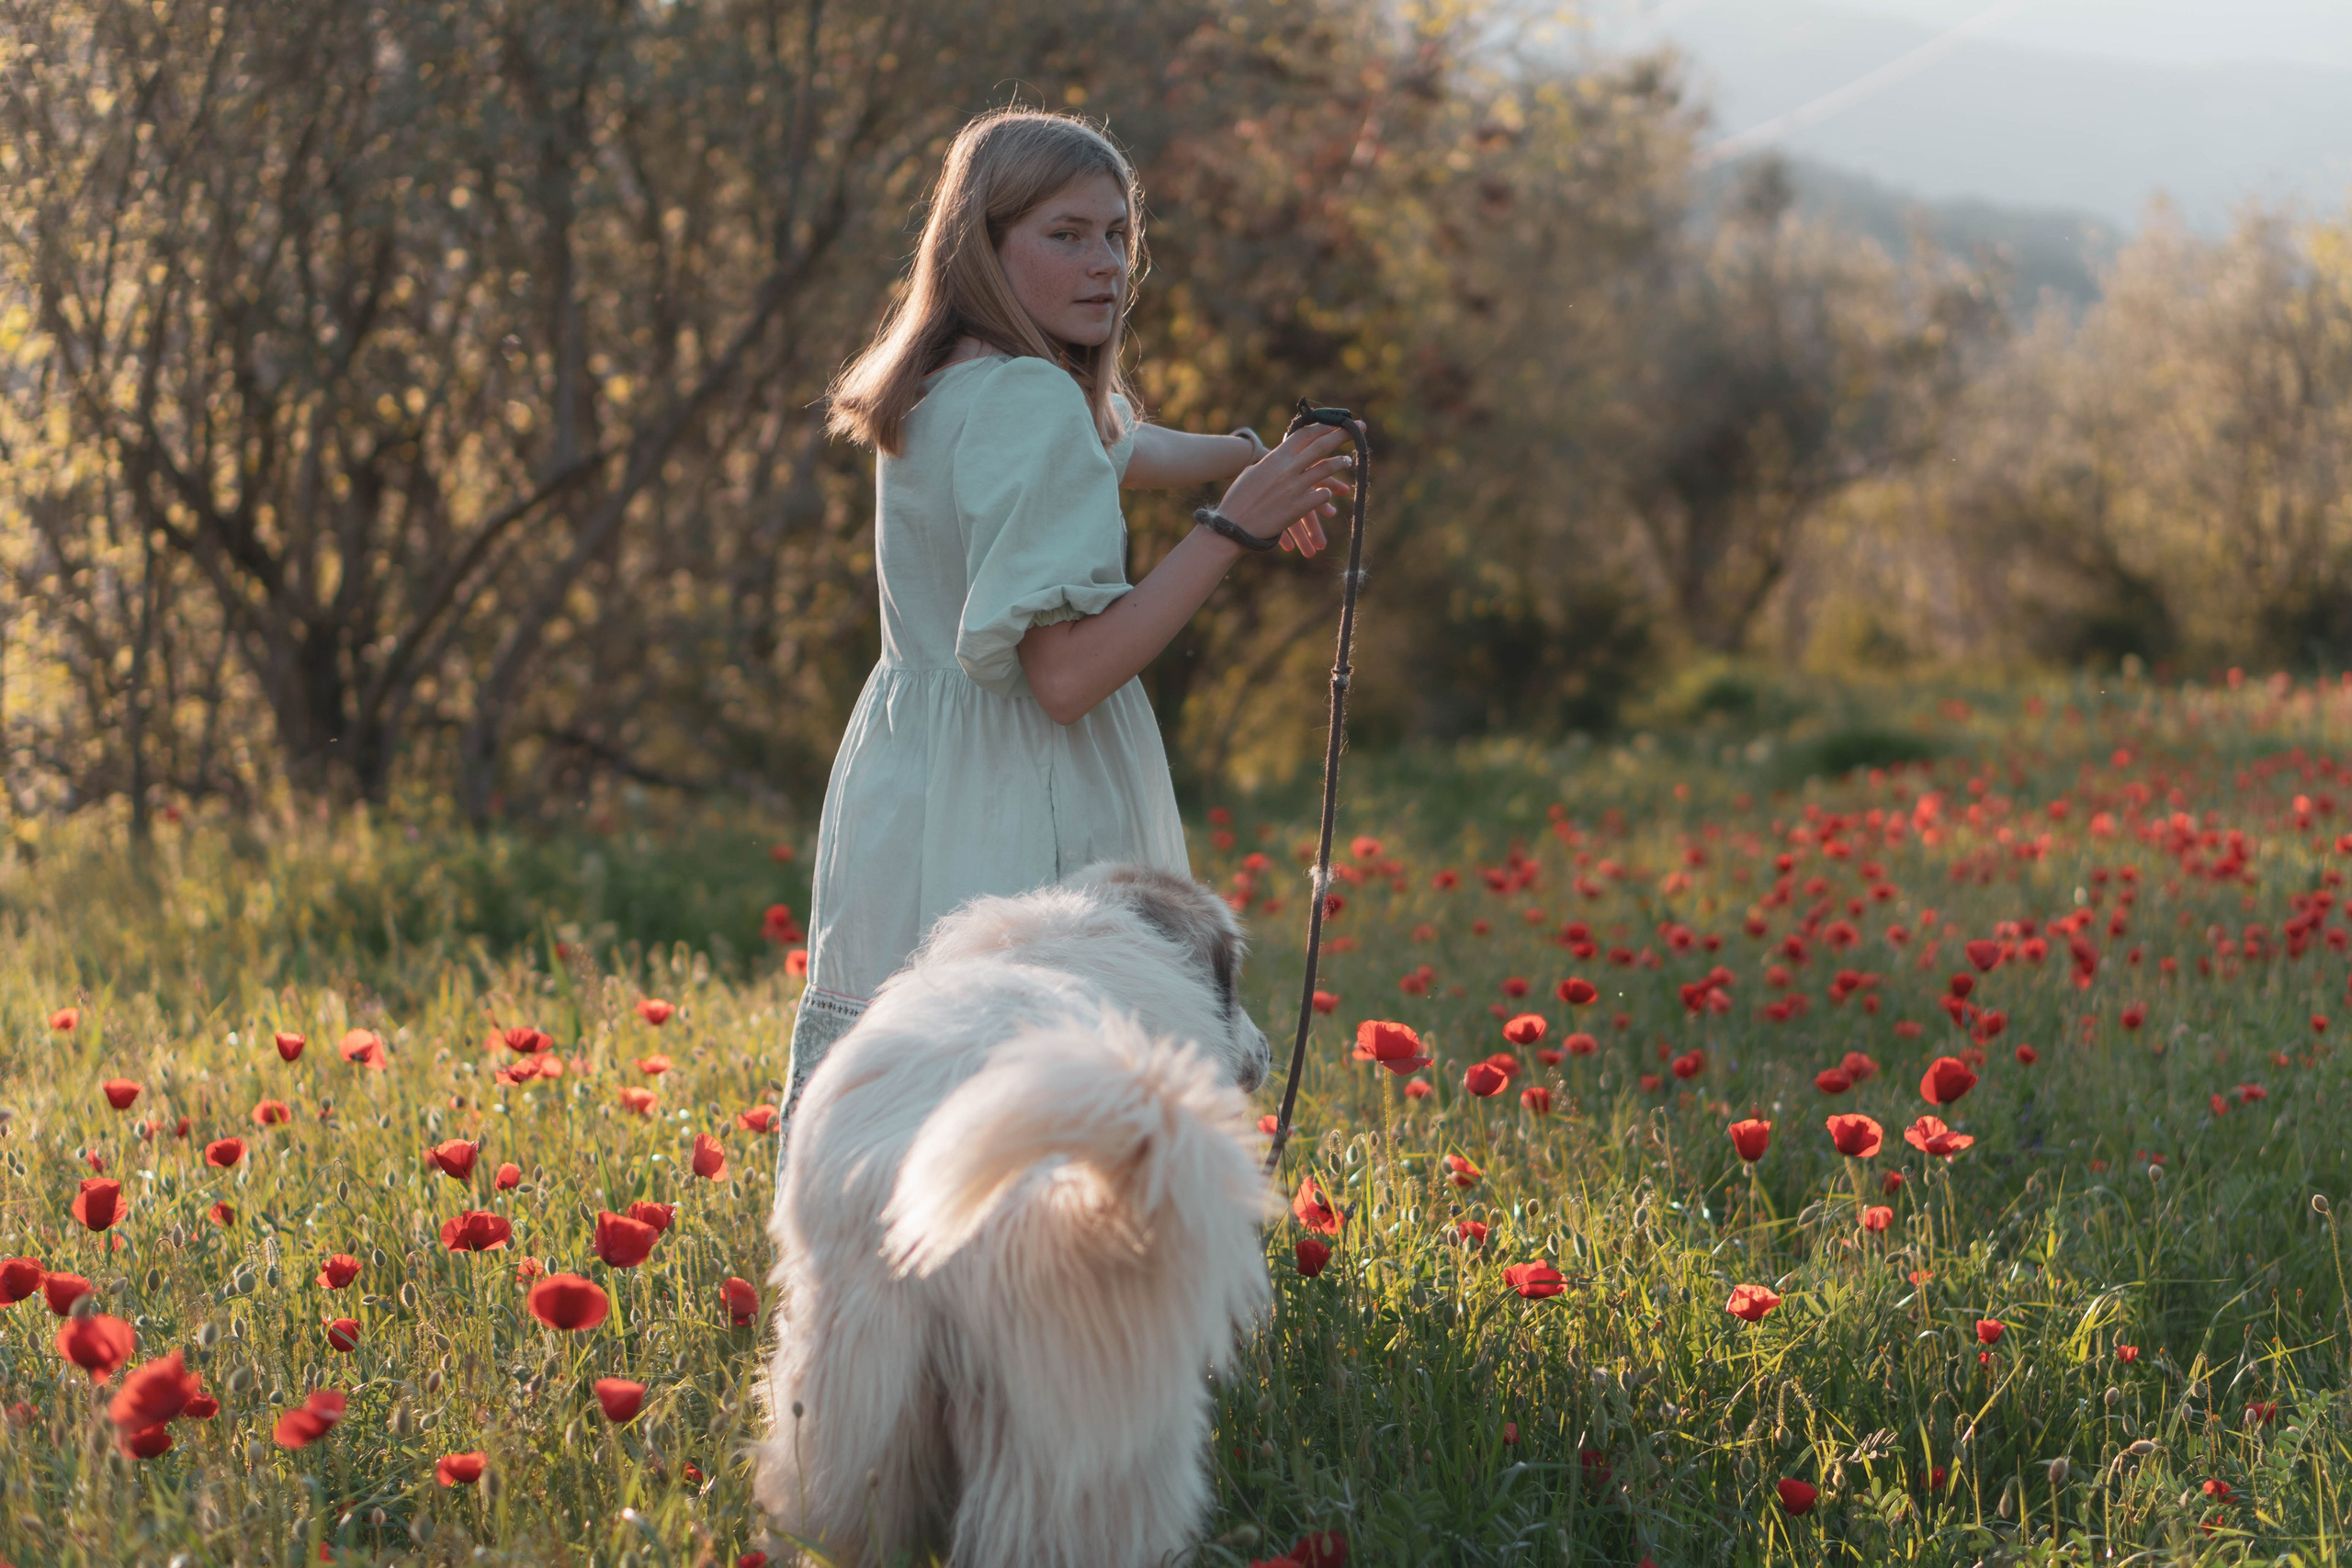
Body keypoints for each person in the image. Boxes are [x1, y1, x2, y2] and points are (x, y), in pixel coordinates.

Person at [782, 107, 1358, 1140]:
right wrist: (1232, 528)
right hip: (1023, 794)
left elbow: (1117, 445)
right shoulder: (1030, 401)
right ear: (983, 245)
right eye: (1066, 235)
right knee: (1042, 1110)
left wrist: (1238, 453)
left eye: (1118, 235)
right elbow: (1065, 676)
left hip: (913, 786)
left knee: (922, 1116)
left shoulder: (943, 382)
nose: (1105, 265)